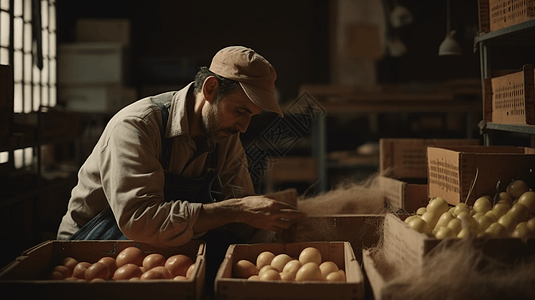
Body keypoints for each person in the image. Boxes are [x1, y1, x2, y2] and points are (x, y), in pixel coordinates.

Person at [56, 46, 307, 276]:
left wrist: (277, 225)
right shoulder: (138, 126)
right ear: (211, 89)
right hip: (90, 250)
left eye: (252, 116)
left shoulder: (224, 136)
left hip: (160, 252)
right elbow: (140, 219)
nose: (243, 127)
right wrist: (237, 210)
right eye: (240, 111)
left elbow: (239, 203)